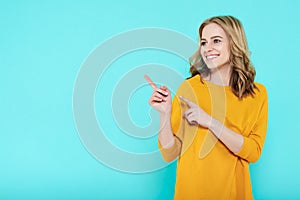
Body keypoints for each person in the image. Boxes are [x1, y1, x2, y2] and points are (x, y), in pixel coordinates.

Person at [145, 15, 268, 199]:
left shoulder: (257, 94)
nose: (207, 48)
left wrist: (210, 122)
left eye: (216, 41)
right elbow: (170, 154)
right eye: (203, 42)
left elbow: (253, 152)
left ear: (234, 43)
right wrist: (165, 114)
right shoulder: (190, 88)